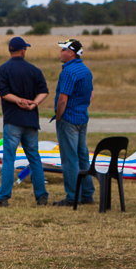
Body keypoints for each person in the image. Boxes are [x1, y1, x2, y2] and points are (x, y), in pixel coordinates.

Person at [0, 37, 49, 207]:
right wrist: (33, 103)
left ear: (10, 51)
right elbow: (44, 91)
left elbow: (4, 93)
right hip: (31, 120)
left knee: (9, 159)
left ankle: (2, 197)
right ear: (23, 51)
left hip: (13, 119)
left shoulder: (3, 69)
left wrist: (18, 101)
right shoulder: (34, 70)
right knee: (34, 158)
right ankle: (41, 196)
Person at [52, 39, 95, 207]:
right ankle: (87, 193)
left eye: (63, 50)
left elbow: (63, 99)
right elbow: (91, 94)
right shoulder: (85, 70)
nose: (60, 53)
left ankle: (72, 196)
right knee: (83, 156)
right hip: (82, 118)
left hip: (68, 119)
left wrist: (58, 116)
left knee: (69, 159)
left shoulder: (68, 72)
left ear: (71, 52)